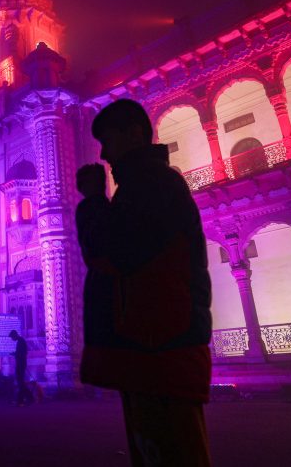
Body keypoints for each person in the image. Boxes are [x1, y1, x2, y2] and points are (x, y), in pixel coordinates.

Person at [75, 99, 213, 467]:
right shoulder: (142, 184)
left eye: (108, 141)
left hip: (159, 345)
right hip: (150, 344)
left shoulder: (151, 183)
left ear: (134, 135)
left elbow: (109, 252)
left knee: (169, 451)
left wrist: (93, 201)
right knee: (155, 448)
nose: (103, 154)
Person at [8, 329, 32, 406]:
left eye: (12, 337)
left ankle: (21, 400)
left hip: (21, 364)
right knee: (21, 382)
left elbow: (22, 353)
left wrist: (15, 354)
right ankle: (30, 398)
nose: (12, 339)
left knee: (20, 382)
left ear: (15, 335)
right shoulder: (20, 341)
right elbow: (20, 352)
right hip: (20, 363)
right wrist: (15, 353)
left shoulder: (21, 341)